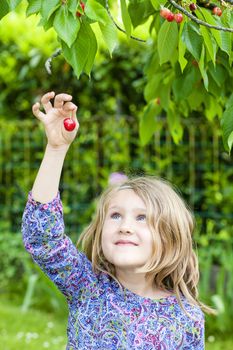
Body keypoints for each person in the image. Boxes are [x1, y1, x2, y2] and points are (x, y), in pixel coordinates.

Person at [22, 91, 212, 350]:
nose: (125, 226)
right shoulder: (86, 286)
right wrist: (56, 150)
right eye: (115, 215)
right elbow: (42, 237)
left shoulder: (187, 318)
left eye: (142, 218)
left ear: (170, 237)